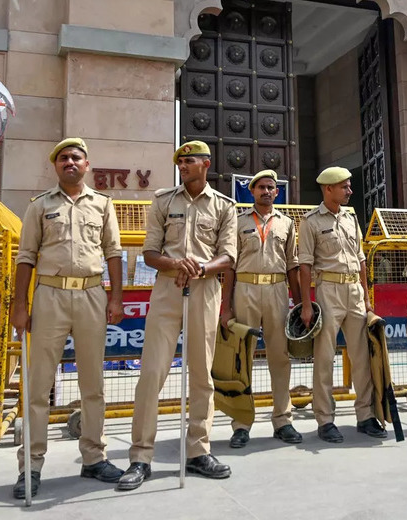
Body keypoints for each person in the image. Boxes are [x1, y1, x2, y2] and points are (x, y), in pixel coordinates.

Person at [117, 141, 237, 491]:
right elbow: (151, 252)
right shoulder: (163, 201)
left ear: (206, 164)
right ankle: (141, 457)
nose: (183, 166)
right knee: (151, 373)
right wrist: (175, 263)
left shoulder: (224, 206)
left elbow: (228, 257)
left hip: (204, 291)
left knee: (201, 374)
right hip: (167, 289)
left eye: (189, 161)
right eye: (180, 161)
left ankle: (199, 451)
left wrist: (200, 267)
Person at [10, 138, 125, 498]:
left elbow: (114, 252)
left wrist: (117, 298)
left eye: (76, 157)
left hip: (92, 293)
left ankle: (94, 456)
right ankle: (30, 465)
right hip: (50, 295)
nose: (69, 162)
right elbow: (26, 256)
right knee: (39, 384)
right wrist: (19, 305)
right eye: (63, 158)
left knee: (93, 383)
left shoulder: (103, 205)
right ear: (55, 166)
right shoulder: (39, 207)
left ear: (87, 164)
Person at [297, 166, 387, 442]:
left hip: (354, 292)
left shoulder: (351, 218)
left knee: (361, 357)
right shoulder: (311, 221)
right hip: (328, 291)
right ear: (328, 189)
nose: (350, 191)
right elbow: (305, 265)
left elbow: (361, 260)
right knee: (324, 358)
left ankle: (366, 415)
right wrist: (306, 304)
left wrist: (367, 296)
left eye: (349, 187)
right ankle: (325, 420)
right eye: (345, 187)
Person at [220, 169, 304, 447]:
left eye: (271, 187)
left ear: (277, 193)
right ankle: (241, 424)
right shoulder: (238, 221)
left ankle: (283, 420)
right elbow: (229, 267)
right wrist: (225, 306)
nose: (266, 191)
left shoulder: (287, 224)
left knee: (279, 357)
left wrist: (301, 302)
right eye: (261, 187)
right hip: (245, 289)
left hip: (277, 291)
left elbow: (292, 265)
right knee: (242, 358)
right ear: (252, 191)